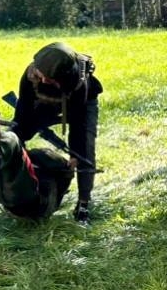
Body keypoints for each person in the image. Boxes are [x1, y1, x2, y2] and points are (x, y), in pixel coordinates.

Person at [10, 41, 102, 223]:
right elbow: (23, 112)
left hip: (81, 105)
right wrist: (15, 139)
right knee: (14, 137)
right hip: (45, 104)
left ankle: (83, 205)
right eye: (41, 75)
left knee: (85, 151)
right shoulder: (30, 75)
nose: (43, 80)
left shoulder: (78, 83)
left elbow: (78, 123)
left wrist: (76, 153)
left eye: (49, 78)